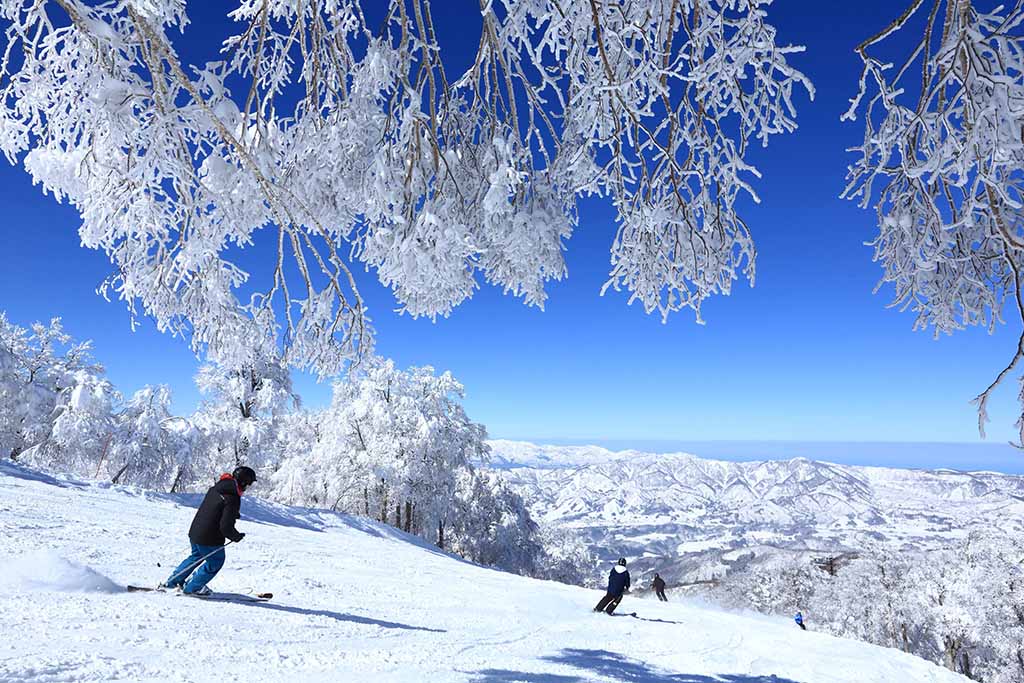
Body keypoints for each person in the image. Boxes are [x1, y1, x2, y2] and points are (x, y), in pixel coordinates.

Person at [162, 466, 256, 595]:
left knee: (196, 556)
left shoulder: (218, 487)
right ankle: (193, 588)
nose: (247, 488)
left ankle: (172, 582)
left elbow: (214, 507)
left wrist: (232, 513)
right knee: (216, 561)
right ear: (243, 482)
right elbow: (225, 527)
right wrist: (235, 536)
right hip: (209, 537)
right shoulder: (232, 497)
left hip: (195, 532)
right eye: (249, 484)